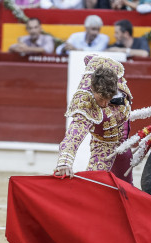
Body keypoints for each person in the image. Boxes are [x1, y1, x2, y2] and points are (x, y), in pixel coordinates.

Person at [54, 54, 134, 184]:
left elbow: (90, 58)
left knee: (126, 185)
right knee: (95, 184)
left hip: (123, 140)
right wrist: (65, 162)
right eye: (101, 99)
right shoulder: (84, 102)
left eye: (108, 99)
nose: (104, 104)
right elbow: (74, 135)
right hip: (103, 144)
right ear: (92, 89)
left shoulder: (108, 67)